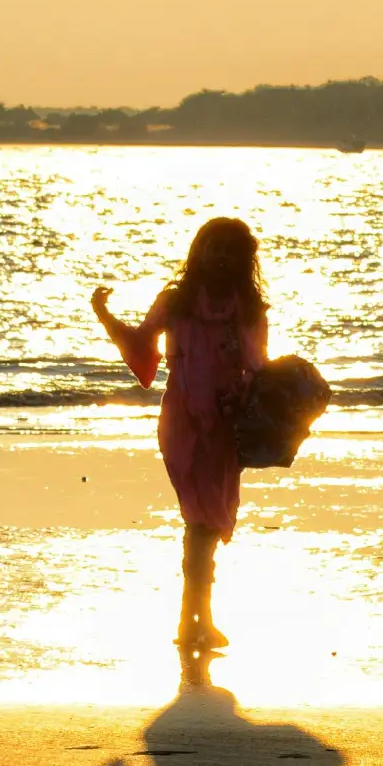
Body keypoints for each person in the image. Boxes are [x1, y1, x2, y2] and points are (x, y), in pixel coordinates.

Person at [91, 217, 268, 654]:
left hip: (225, 426)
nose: (221, 258)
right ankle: (195, 621)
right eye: (214, 249)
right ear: (199, 252)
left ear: (243, 260)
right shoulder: (176, 302)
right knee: (200, 520)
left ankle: (196, 620)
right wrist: (104, 316)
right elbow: (141, 345)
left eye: (230, 251)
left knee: (208, 521)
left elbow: (258, 368)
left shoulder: (248, 310)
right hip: (183, 422)